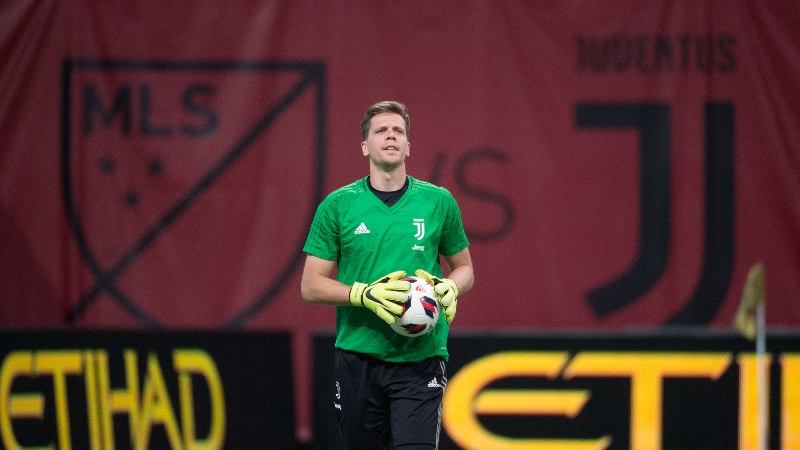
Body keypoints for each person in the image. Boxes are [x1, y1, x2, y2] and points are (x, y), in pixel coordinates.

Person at [300, 100, 474, 450]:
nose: (390, 136)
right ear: (365, 146)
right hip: (358, 357)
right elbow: (311, 285)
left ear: (408, 146)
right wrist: (363, 295)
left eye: (398, 131)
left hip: (420, 358)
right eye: (381, 130)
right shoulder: (338, 205)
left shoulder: (438, 201)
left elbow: (464, 268)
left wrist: (452, 287)